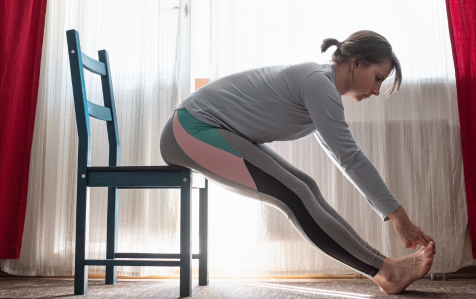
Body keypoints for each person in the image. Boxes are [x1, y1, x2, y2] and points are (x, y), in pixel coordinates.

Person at [159, 30, 436, 294]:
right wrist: (400, 218)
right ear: (357, 63)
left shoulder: (321, 85)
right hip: (189, 129)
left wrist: (393, 214)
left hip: (205, 128)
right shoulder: (317, 83)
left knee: (306, 186)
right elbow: (351, 158)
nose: (376, 90)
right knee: (295, 194)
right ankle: (385, 272)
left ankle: (382, 266)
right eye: (377, 78)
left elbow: (344, 160)